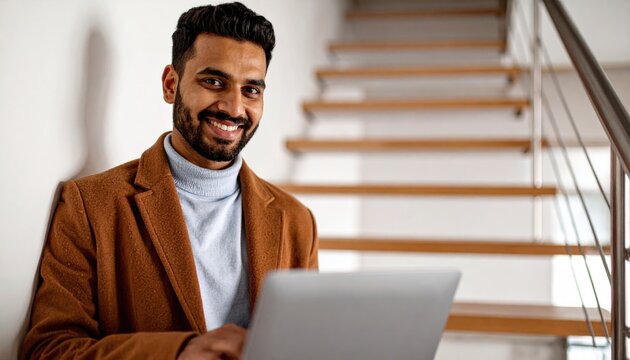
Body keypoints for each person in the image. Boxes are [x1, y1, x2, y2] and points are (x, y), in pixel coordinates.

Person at [21, 3, 318, 359]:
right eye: (213, 81)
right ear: (170, 84)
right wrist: (180, 352)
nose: (234, 108)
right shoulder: (89, 204)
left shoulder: (297, 221)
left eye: (251, 90)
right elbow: (49, 349)